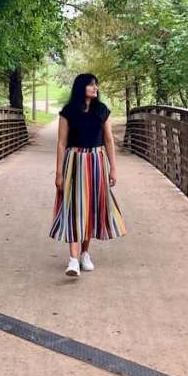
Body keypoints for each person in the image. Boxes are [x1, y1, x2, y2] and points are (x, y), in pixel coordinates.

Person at [50, 73, 127, 277]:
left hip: (96, 162)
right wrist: (59, 173)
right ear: (81, 87)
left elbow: (109, 141)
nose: (95, 88)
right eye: (91, 85)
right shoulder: (68, 112)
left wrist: (113, 168)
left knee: (91, 208)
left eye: (96, 85)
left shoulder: (102, 111)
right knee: (74, 208)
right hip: (74, 162)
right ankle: (73, 259)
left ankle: (85, 254)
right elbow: (61, 143)